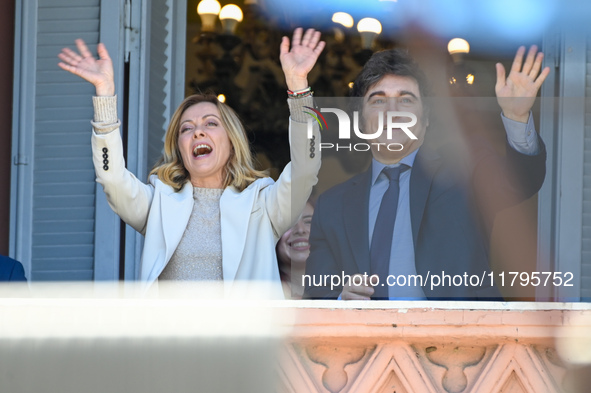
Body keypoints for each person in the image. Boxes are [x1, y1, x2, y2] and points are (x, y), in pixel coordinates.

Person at [58, 28, 325, 295]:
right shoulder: (158, 203)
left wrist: (299, 86)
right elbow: (112, 178)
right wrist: (105, 95)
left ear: (232, 142)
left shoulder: (263, 203)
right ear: (180, 149)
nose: (198, 131)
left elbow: (306, 168)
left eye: (211, 123)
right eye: (186, 128)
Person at [304, 46, 549, 300]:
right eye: (378, 100)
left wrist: (516, 118)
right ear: (361, 120)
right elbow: (316, 295)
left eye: (406, 99)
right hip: (365, 338)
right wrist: (341, 301)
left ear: (426, 117)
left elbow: (520, 183)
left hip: (458, 336)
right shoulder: (331, 207)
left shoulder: (465, 172)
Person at [276, 196, 316, 299]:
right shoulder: (261, 290)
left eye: (308, 222)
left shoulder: (339, 287)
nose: (300, 230)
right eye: (289, 223)